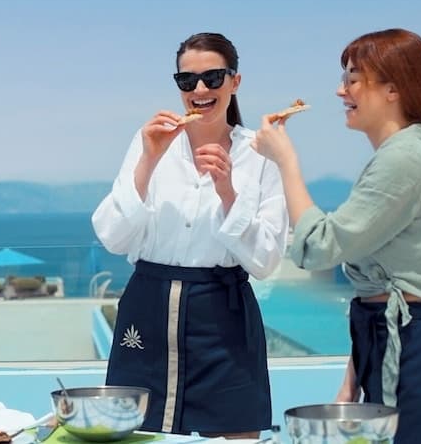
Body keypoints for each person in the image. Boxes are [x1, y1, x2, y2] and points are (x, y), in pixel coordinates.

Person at [253, 28, 421, 443]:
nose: (341, 91)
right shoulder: (399, 156)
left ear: (393, 89)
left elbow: (319, 246)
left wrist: (286, 161)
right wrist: (351, 381)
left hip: (414, 350)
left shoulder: (403, 160)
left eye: (353, 78)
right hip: (395, 343)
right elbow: (380, 288)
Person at [92, 32, 288, 439]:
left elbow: (267, 260)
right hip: (147, 310)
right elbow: (112, 236)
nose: (200, 90)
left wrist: (228, 193)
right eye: (187, 80)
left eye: (212, 78)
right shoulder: (148, 142)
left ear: (235, 82)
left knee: (237, 433)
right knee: (133, 432)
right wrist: (148, 160)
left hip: (224, 316)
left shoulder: (260, 153)